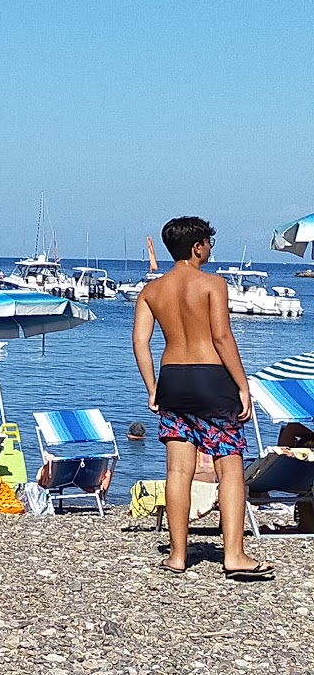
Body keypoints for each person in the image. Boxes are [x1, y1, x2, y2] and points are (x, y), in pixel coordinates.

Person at [134, 215, 273, 580]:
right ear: (198, 247)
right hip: (212, 378)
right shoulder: (213, 283)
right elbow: (222, 339)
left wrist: (152, 387)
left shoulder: (152, 291)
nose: (210, 248)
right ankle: (234, 554)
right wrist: (243, 386)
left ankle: (177, 555)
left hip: (173, 380)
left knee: (178, 469)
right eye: (209, 242)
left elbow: (140, 342)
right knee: (230, 467)